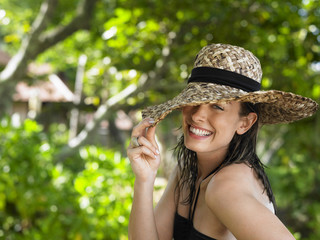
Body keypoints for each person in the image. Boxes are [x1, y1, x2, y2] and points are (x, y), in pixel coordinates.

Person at [126, 43, 318, 240]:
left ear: (245, 123)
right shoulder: (187, 170)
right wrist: (145, 178)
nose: (198, 115)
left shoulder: (226, 188)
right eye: (194, 101)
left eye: (217, 106)